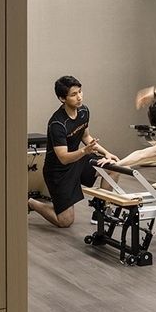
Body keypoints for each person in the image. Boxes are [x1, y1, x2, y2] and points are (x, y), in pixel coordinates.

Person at [28, 75, 118, 228]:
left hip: (77, 161)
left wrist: (106, 153)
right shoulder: (57, 123)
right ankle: (31, 203)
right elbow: (63, 158)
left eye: (80, 92)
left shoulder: (83, 111)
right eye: (74, 94)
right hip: (58, 171)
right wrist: (84, 151)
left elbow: (86, 136)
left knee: (113, 167)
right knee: (65, 221)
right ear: (62, 98)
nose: (79, 97)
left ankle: (100, 212)